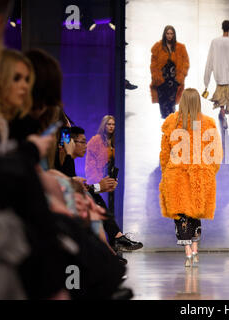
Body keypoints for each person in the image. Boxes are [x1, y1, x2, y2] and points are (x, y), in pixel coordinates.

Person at [159, 88, 222, 267]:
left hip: (176, 175)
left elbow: (164, 152)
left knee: (181, 216)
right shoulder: (208, 123)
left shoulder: (172, 122)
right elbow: (216, 154)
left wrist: (166, 172)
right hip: (199, 175)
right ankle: (195, 250)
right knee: (195, 213)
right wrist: (209, 172)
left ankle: (187, 254)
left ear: (182, 101)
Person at [86, 115, 143, 251]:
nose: (111, 126)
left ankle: (114, 246)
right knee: (101, 208)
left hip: (110, 180)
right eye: (108, 124)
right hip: (99, 181)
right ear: (103, 125)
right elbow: (91, 165)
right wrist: (99, 182)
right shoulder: (95, 141)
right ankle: (116, 240)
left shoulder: (114, 142)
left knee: (106, 210)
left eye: (113, 124)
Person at [204, 20, 229, 129]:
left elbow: (210, 59)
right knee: (225, 95)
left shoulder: (215, 42)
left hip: (218, 73)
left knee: (221, 94)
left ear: (222, 27)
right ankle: (223, 115)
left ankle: (222, 112)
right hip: (228, 74)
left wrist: (207, 78)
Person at [150, 25, 190, 119]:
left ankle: (171, 129)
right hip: (161, 81)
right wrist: (156, 77)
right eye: (167, 33)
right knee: (163, 109)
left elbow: (185, 63)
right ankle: (166, 129)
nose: (169, 36)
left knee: (172, 108)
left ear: (174, 35)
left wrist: (180, 77)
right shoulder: (158, 47)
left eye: (171, 34)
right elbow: (153, 64)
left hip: (174, 81)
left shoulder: (180, 48)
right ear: (164, 34)